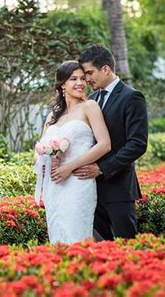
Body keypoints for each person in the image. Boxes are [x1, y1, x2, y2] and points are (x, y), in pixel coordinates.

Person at [73, 44, 148, 240]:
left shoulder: (132, 97)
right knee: (102, 248)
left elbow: (137, 144)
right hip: (91, 189)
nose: (86, 79)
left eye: (90, 73)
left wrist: (102, 168)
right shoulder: (91, 99)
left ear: (105, 69)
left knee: (127, 245)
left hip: (119, 189)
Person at [35, 60, 111, 244]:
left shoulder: (89, 107)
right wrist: (46, 156)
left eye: (83, 79)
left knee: (76, 236)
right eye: (73, 79)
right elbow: (39, 150)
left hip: (78, 182)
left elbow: (104, 145)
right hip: (55, 185)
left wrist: (69, 167)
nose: (81, 83)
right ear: (62, 85)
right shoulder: (53, 115)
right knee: (57, 235)